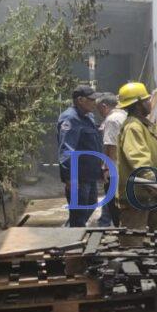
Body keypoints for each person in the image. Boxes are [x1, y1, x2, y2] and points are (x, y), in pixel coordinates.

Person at [115, 81, 157, 235]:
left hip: (152, 194)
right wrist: (152, 180)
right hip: (138, 196)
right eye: (147, 100)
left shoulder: (143, 125)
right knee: (133, 240)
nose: (150, 103)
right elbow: (138, 158)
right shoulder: (133, 127)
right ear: (137, 104)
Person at [57, 85, 103, 227]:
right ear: (80, 100)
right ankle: (71, 242)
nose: (95, 103)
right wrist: (70, 178)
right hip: (78, 177)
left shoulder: (87, 117)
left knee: (91, 205)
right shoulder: (70, 118)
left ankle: (69, 231)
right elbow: (66, 149)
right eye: (91, 100)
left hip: (89, 175)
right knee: (79, 216)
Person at [95, 93, 125, 227]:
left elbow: (111, 146)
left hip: (114, 171)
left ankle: (121, 233)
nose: (98, 112)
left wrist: (107, 169)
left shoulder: (111, 120)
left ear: (104, 106)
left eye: (98, 109)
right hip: (124, 169)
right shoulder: (125, 115)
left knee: (114, 206)